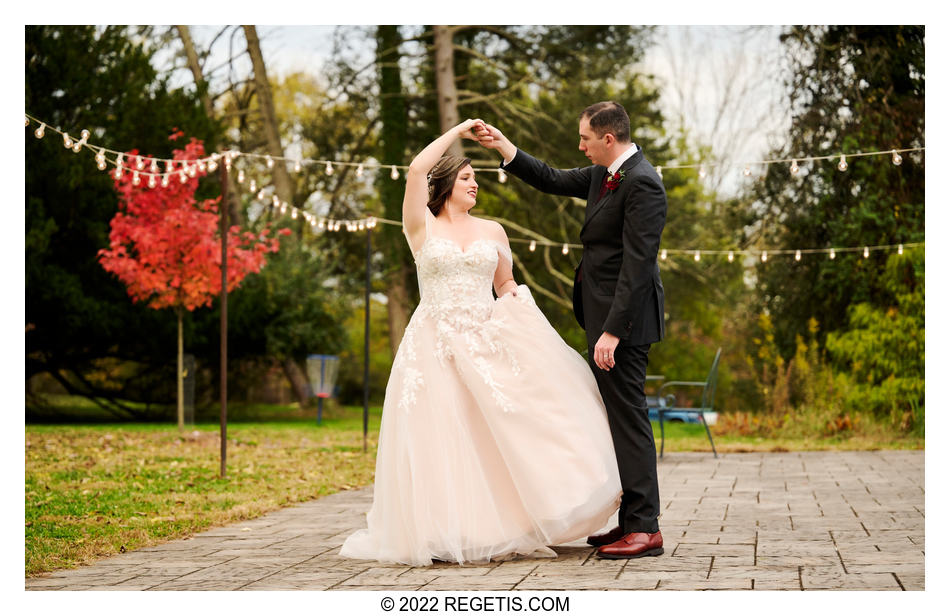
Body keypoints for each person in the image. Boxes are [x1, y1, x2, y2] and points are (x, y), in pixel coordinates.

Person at [339, 119, 621, 566]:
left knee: (493, 434)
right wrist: (455, 132)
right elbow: (415, 170)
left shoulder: (493, 231)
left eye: (475, 180)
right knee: (441, 436)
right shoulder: (421, 229)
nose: (475, 187)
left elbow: (505, 283)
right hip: (432, 344)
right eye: (468, 178)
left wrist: (521, 319)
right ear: (447, 184)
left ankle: (499, 527)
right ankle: (443, 530)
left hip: (485, 342)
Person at [473, 101, 667, 559]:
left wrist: (614, 332)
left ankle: (646, 528)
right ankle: (630, 519)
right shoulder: (604, 174)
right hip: (601, 318)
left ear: (607, 138)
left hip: (626, 326)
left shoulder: (643, 183)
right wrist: (504, 147)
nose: (578, 146)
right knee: (616, 418)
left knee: (630, 418)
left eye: (584, 138)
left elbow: (638, 268)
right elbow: (553, 179)